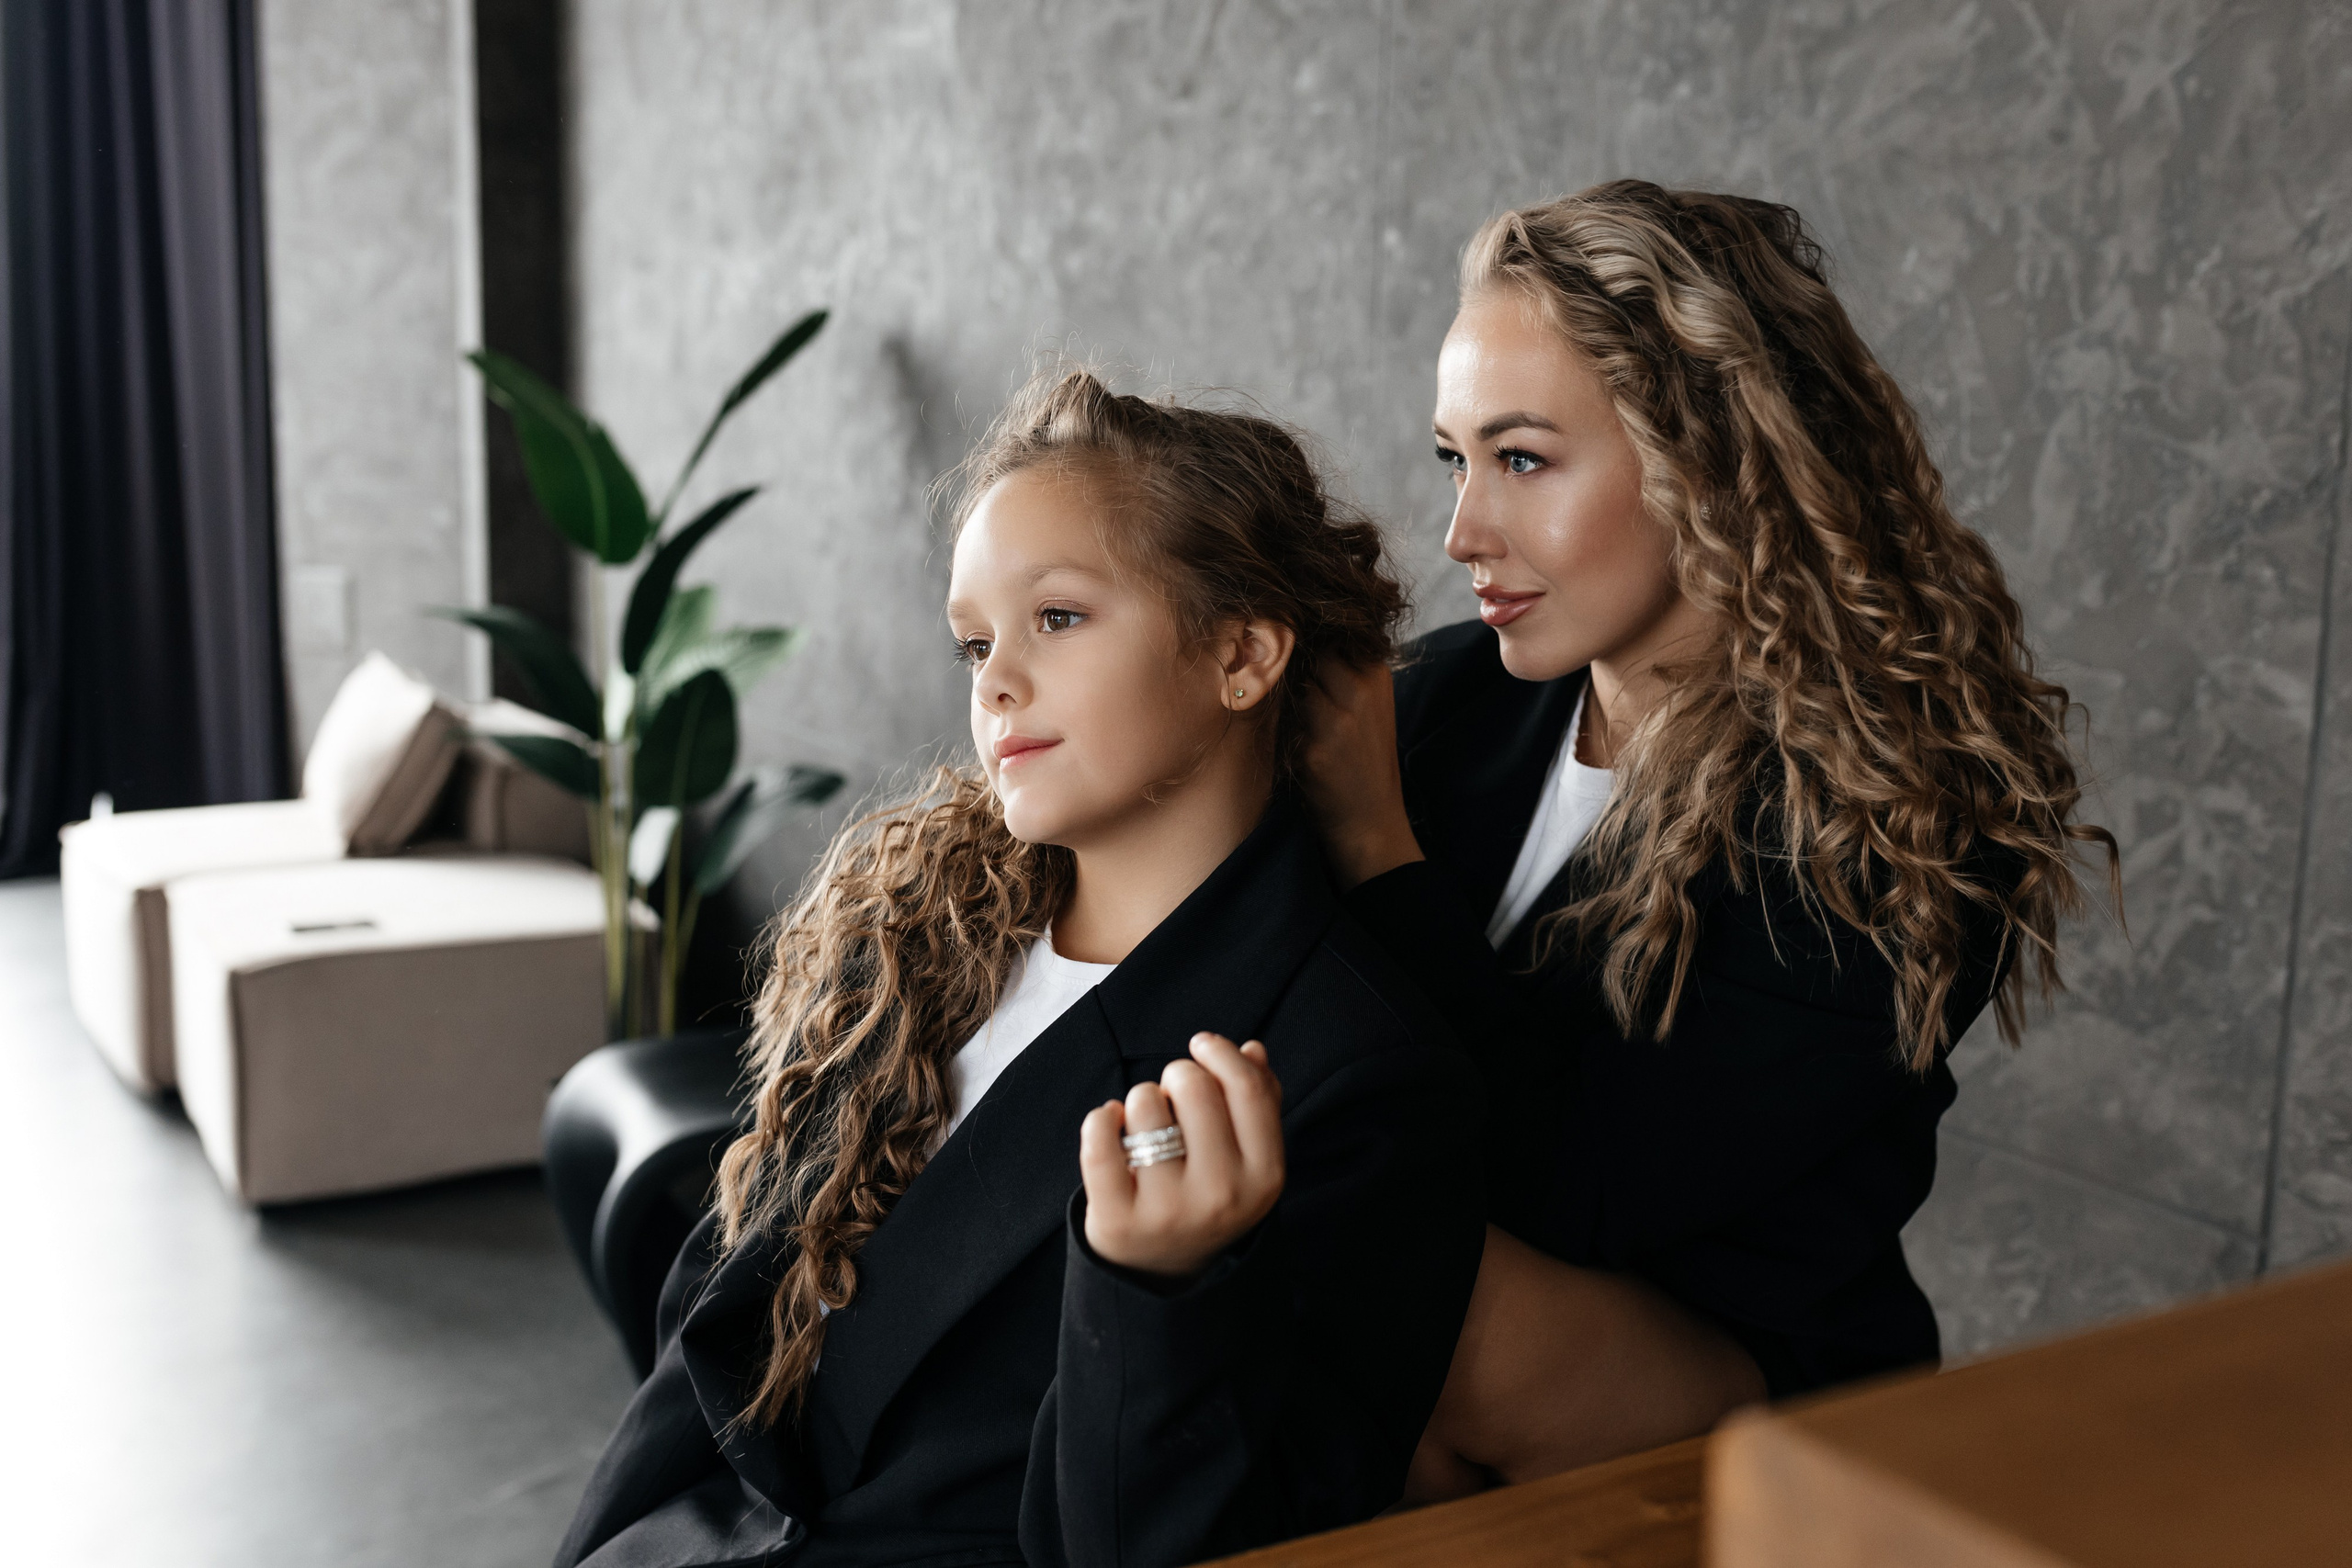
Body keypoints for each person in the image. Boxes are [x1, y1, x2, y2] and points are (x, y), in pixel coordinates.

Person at [554, 368, 1487, 1568]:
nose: (993, 682)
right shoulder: (910, 951)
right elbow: (714, 1335)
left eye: (1058, 619)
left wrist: (1153, 1291)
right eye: (975, 641)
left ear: (1243, 653)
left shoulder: (1357, 1078)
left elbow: (1178, 1542)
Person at [1302, 180, 2118, 1494]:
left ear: (1711, 458)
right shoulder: (1450, 700)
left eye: (1523, 460)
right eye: (1456, 460)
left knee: (1383, 1289)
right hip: (1446, 1302)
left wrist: (1376, 852)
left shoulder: (1891, 814)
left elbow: (1575, 1186)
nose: (1462, 534)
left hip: (1733, 1373)